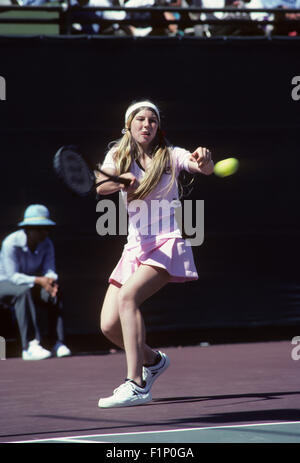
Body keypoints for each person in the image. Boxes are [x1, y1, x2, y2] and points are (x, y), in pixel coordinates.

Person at [95, 100, 214, 408]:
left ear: (158, 127)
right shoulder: (117, 156)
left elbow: (200, 165)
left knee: (129, 297)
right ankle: (154, 361)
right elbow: (100, 184)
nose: (146, 124)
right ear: (129, 126)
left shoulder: (171, 155)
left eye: (152, 120)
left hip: (166, 242)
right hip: (134, 247)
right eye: (140, 119)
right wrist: (123, 179)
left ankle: (135, 383)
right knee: (109, 326)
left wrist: (204, 161)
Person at [0, 204, 71, 360]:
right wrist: (40, 280)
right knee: (23, 292)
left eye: (46, 228)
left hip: (33, 284)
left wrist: (50, 280)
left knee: (54, 292)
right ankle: (30, 346)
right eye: (39, 229)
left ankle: (57, 342)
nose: (44, 232)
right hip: (4, 283)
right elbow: (12, 277)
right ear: (28, 229)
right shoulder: (10, 243)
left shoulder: (47, 243)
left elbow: (50, 269)